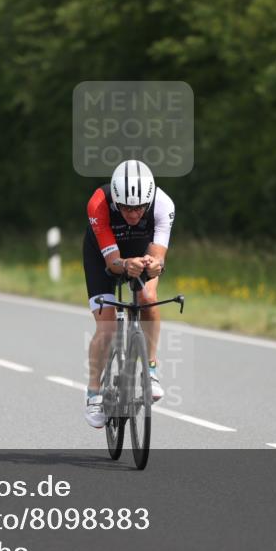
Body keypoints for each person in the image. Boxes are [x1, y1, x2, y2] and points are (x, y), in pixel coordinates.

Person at [82, 159, 175, 428]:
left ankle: (152, 369)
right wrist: (124, 265)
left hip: (141, 248)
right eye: (125, 208)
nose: (133, 215)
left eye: (138, 209)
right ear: (115, 202)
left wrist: (153, 264)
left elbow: (157, 257)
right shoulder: (98, 203)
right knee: (107, 325)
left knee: (147, 299)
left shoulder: (163, 204)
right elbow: (112, 264)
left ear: (148, 201)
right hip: (102, 254)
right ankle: (93, 393)